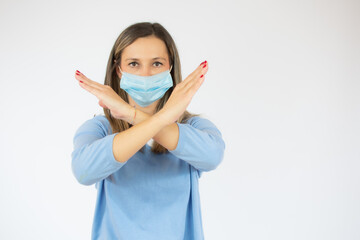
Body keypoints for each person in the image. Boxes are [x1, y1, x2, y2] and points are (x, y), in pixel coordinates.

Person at [71, 22, 225, 240]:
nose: (145, 74)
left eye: (157, 63)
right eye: (134, 63)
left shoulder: (194, 128)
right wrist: (161, 118)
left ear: (170, 68)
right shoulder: (99, 129)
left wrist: (132, 114)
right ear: (119, 70)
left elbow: (212, 157)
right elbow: (83, 171)